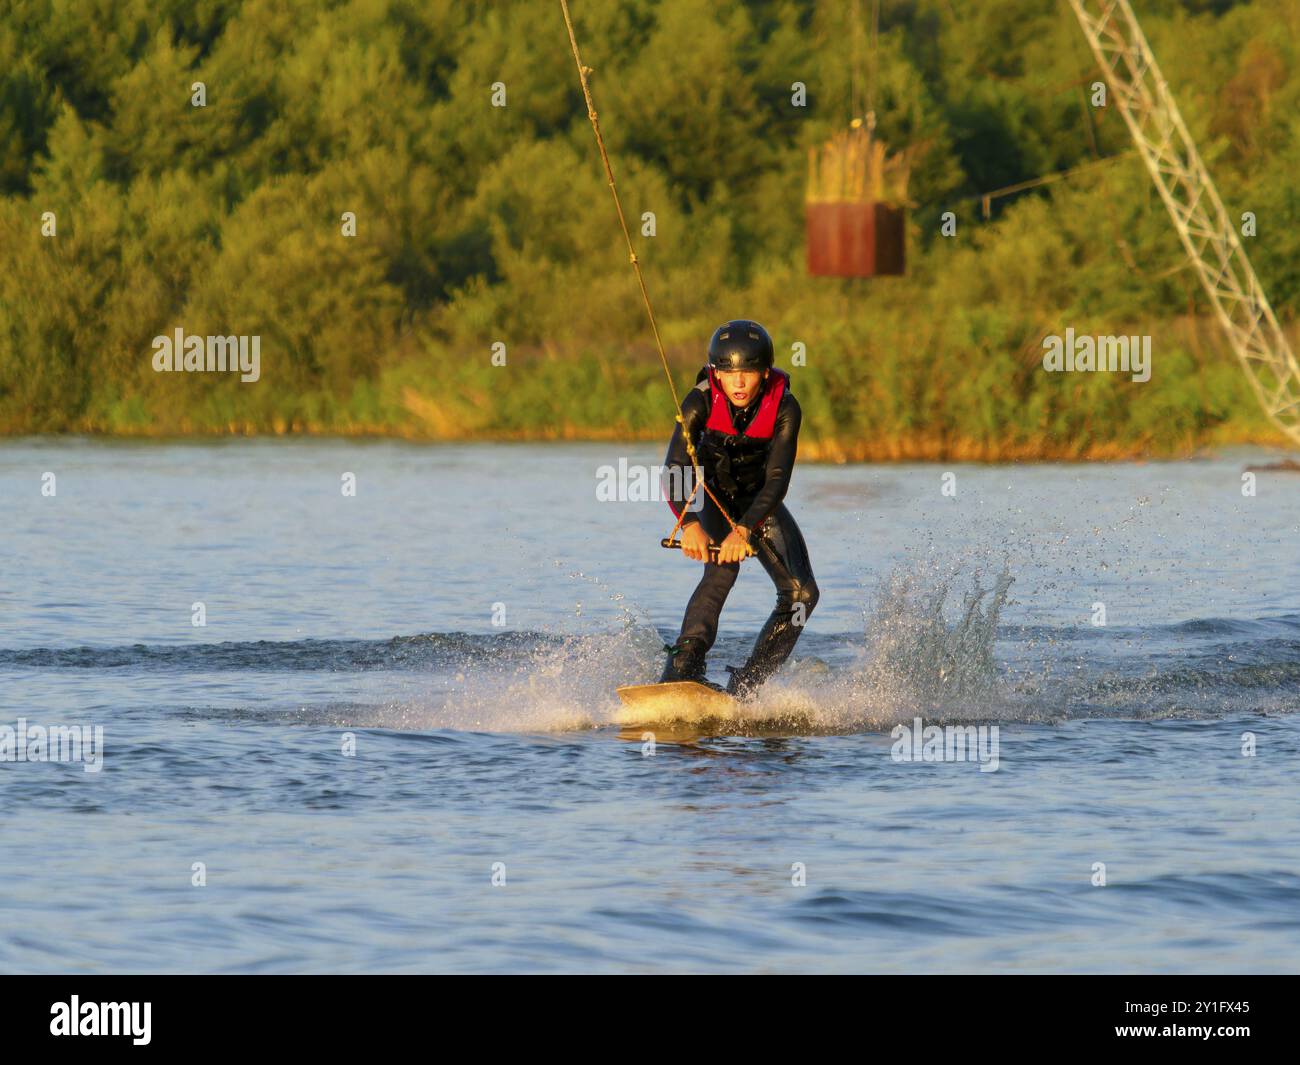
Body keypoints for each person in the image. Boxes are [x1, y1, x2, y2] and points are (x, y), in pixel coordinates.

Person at [658, 319, 819, 698]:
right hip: (713, 498)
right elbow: (676, 468)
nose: (740, 383)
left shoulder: (785, 407)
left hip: (759, 501)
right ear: (717, 373)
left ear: (765, 372)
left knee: (802, 595)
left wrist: (745, 529)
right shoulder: (699, 400)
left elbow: (777, 478)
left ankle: (749, 685)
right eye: (730, 374)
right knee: (722, 568)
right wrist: (691, 524)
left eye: (748, 373)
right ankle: (682, 668)